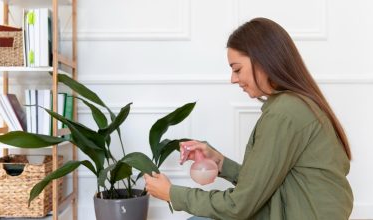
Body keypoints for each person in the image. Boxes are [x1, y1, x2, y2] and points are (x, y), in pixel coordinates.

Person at [144, 17, 353, 220]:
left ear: (263, 60)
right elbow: (262, 184)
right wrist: (220, 161)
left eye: (237, 69)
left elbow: (239, 206)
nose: (233, 79)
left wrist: (171, 193)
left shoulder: (284, 113)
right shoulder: (294, 106)